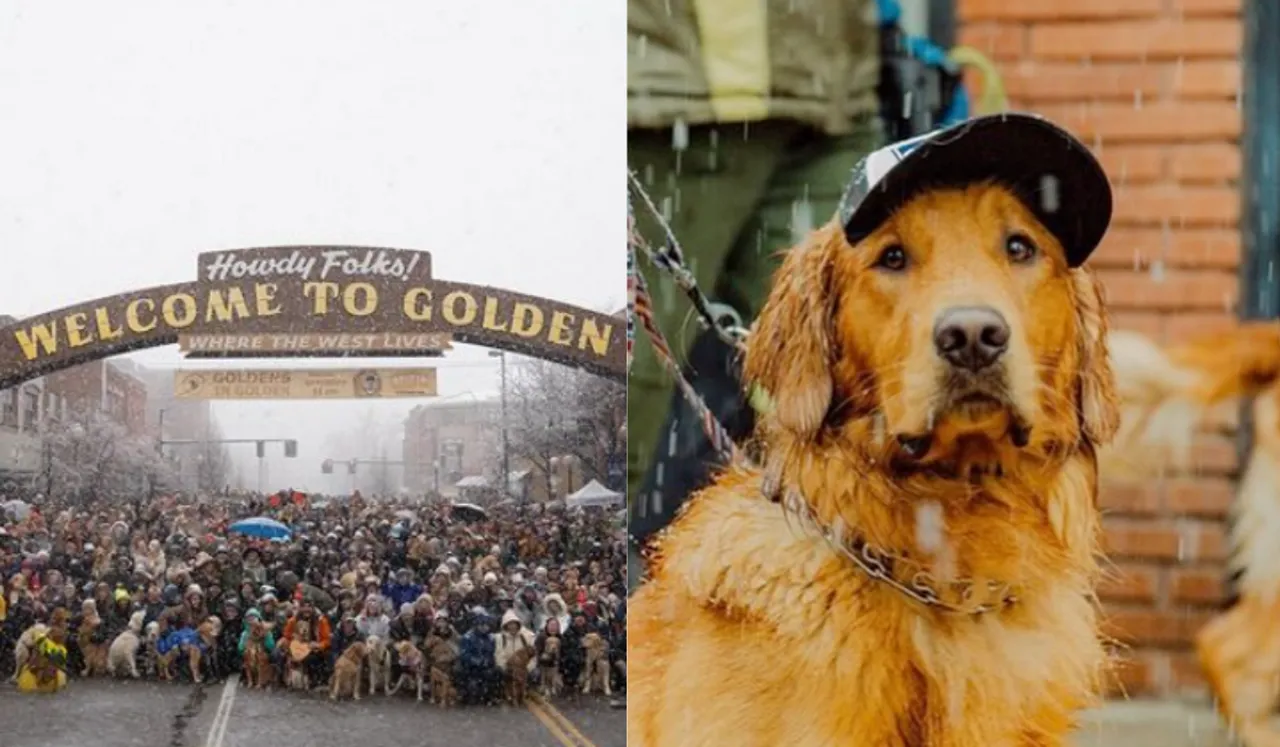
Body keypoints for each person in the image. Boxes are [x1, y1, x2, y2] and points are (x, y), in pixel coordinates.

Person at [627, 0, 883, 588]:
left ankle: (849, 614)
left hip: (830, 89)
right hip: (666, 91)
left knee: (841, 380)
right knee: (632, 400)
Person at [456, 609, 500, 705]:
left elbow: (493, 653)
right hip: (471, 667)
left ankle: (491, 696)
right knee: (464, 676)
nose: (484, 627)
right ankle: (464, 694)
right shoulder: (467, 637)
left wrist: (488, 661)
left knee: (496, 672)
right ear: (476, 625)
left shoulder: (491, 638)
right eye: (481, 625)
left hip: (486, 666)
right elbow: (464, 654)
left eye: (486, 625)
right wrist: (477, 661)